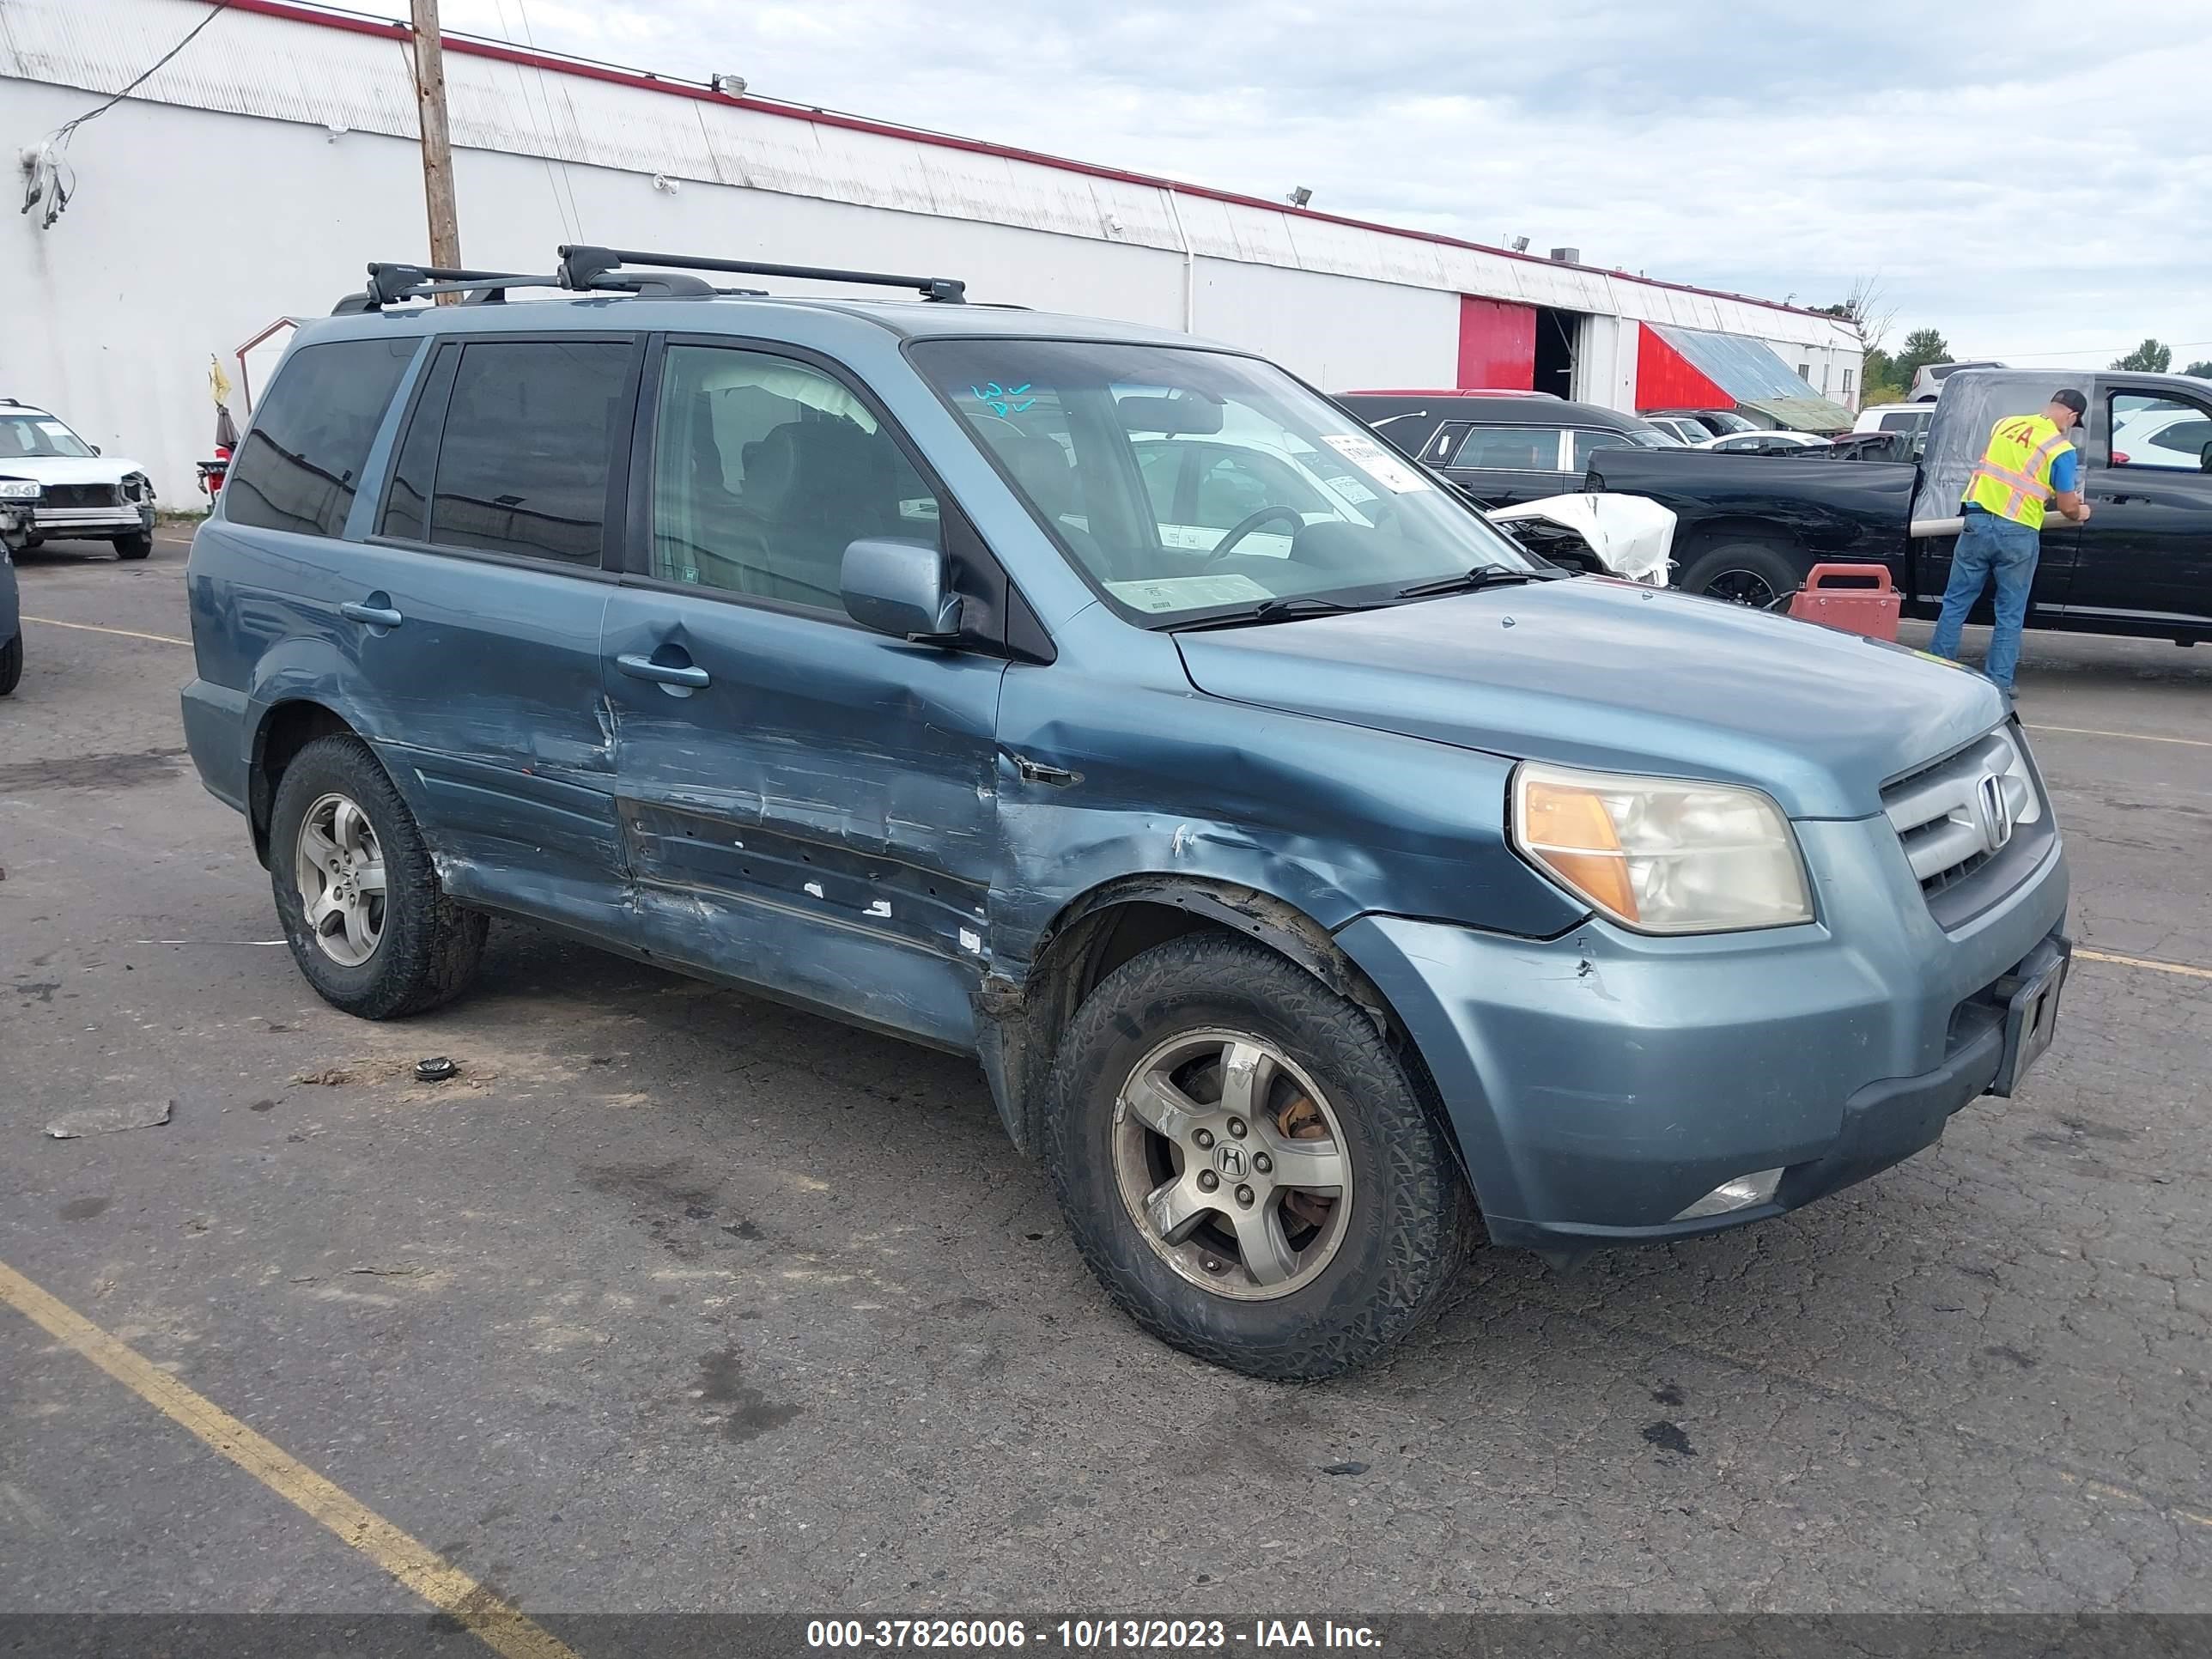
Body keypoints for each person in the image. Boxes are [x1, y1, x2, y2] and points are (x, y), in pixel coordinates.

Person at [1929, 389, 2092, 695]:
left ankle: (1939, 670)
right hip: (2018, 532)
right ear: (2072, 417)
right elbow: (2069, 508)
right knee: (2009, 611)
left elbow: (2013, 468)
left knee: (1955, 603)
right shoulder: (2060, 448)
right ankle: (2000, 682)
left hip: (1977, 522)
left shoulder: (2004, 424)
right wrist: (2080, 509)